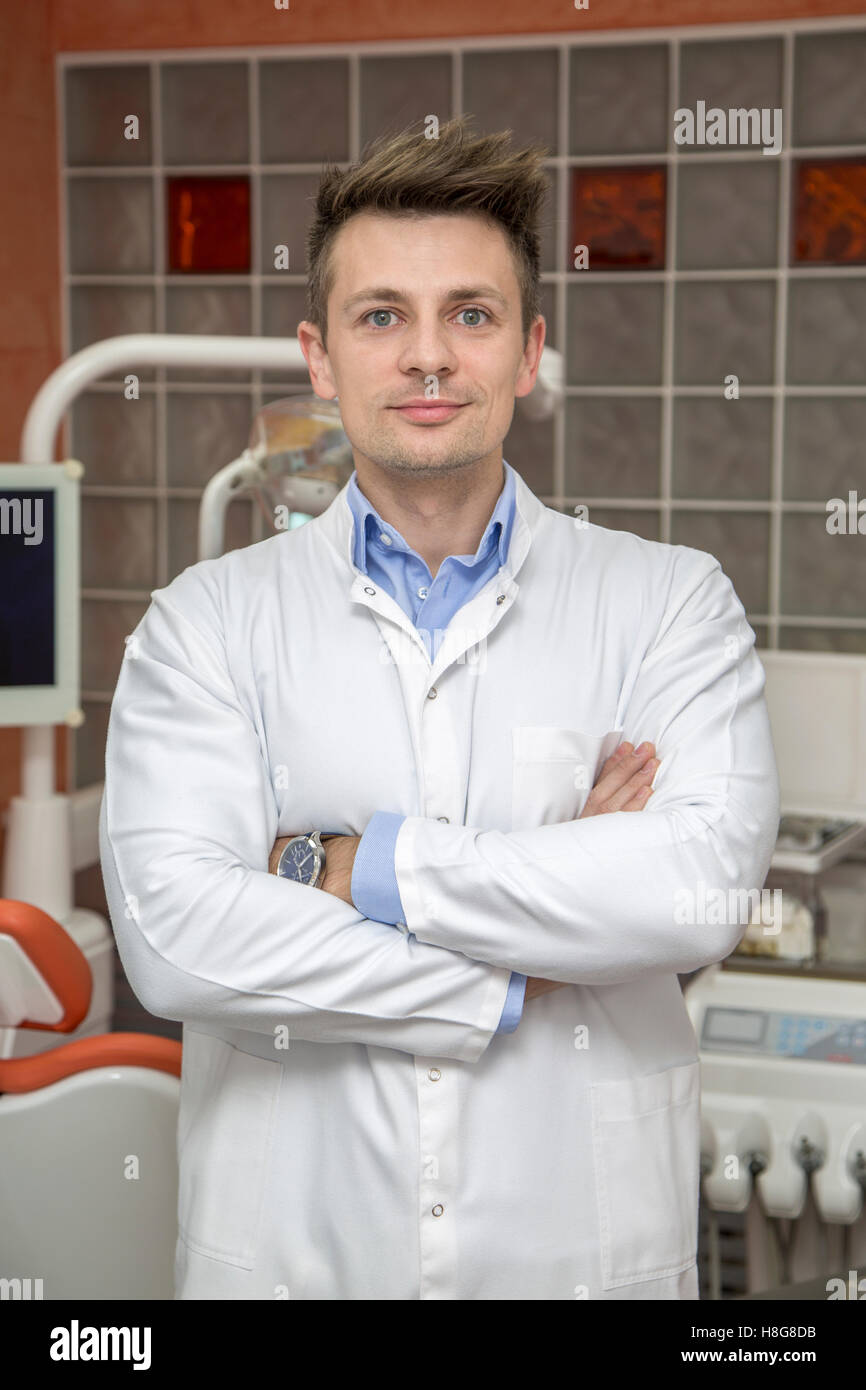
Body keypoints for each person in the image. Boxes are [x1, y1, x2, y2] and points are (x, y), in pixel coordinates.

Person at [98, 116, 780, 1300]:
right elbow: (177, 941)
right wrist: (538, 951)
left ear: (527, 352)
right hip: (292, 1266)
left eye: (469, 313)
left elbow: (691, 887)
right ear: (319, 356)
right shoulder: (200, 625)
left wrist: (346, 867)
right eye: (381, 317)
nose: (426, 357)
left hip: (579, 1264)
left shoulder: (668, 602)